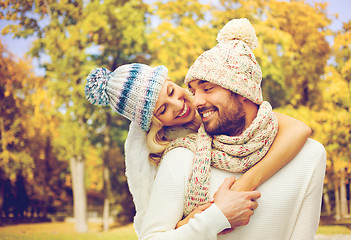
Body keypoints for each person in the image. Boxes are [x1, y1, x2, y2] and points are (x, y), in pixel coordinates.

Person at [139, 18, 326, 239]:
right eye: (193, 90)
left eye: (207, 88)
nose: (196, 101)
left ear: (241, 90)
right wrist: (214, 218)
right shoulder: (181, 158)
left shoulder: (310, 155)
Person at [84, 52, 311, 234]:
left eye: (171, 91)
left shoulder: (218, 110)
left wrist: (245, 185)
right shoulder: (174, 155)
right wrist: (203, 219)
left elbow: (299, 129)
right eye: (163, 109)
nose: (178, 104)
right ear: (155, 122)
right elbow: (157, 229)